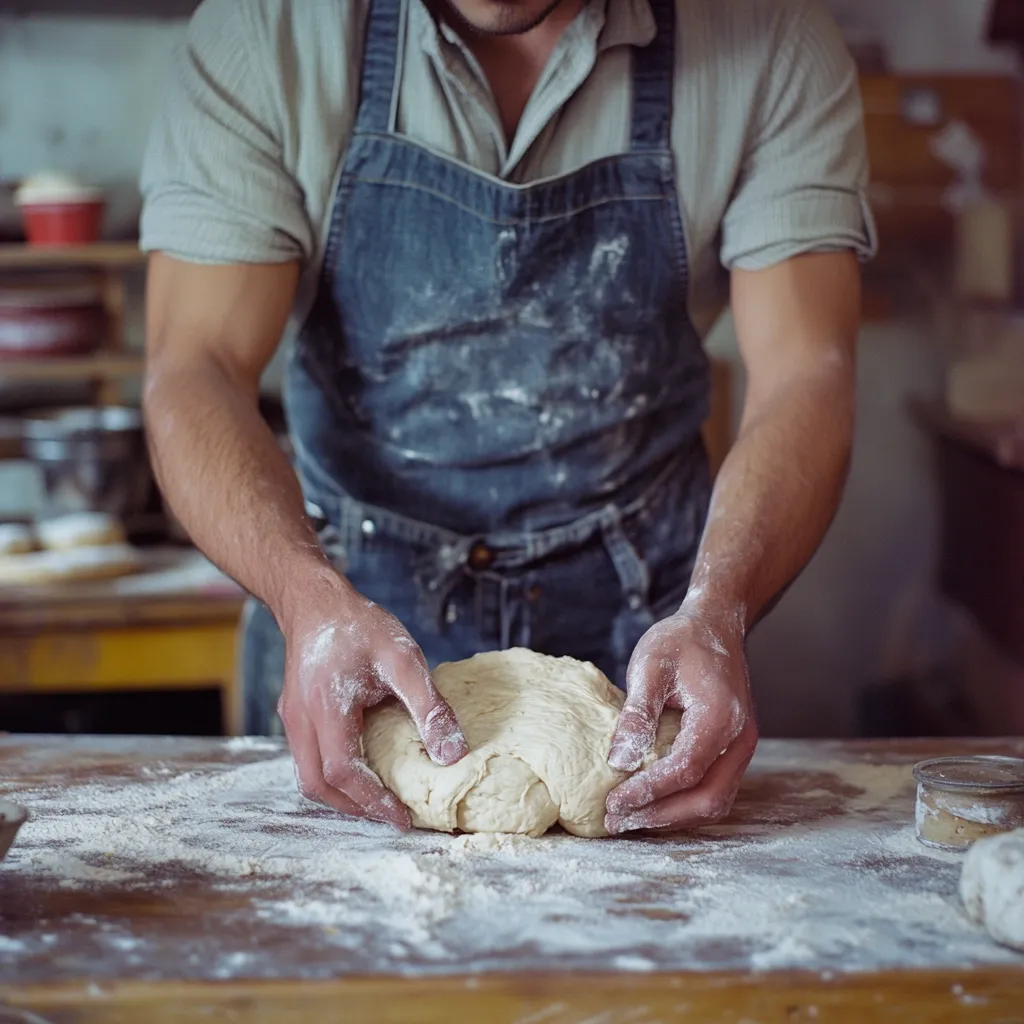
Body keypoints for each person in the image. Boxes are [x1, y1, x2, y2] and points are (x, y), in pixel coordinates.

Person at [140, 0, 874, 835]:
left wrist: (720, 607)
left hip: (647, 640)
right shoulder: (268, 31)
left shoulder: (767, 36)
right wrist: (304, 599)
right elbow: (195, 368)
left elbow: (804, 375)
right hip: (347, 617)